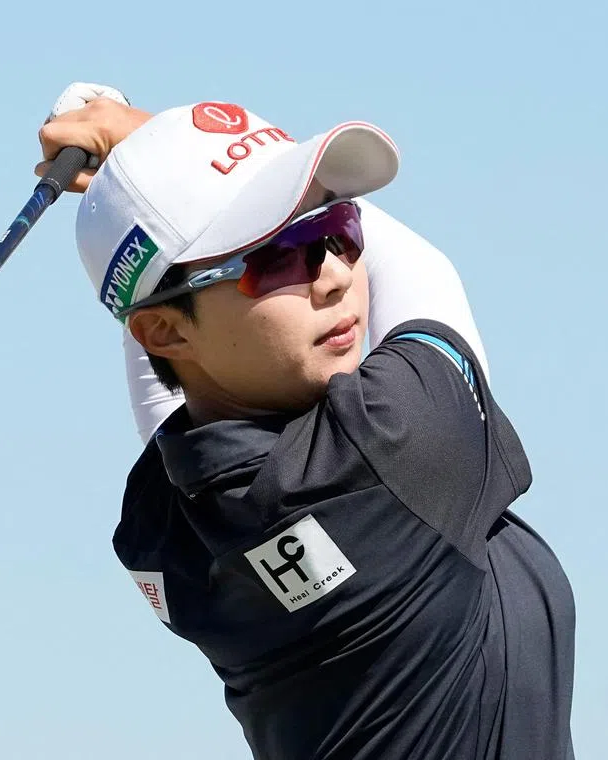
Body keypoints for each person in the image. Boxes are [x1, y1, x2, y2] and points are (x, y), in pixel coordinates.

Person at [37, 82, 577, 760]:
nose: (335, 275)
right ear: (166, 331)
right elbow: (427, 276)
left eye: (338, 226)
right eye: (274, 257)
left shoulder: (162, 522)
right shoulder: (392, 451)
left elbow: (174, 372)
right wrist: (147, 147)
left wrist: (148, 181)